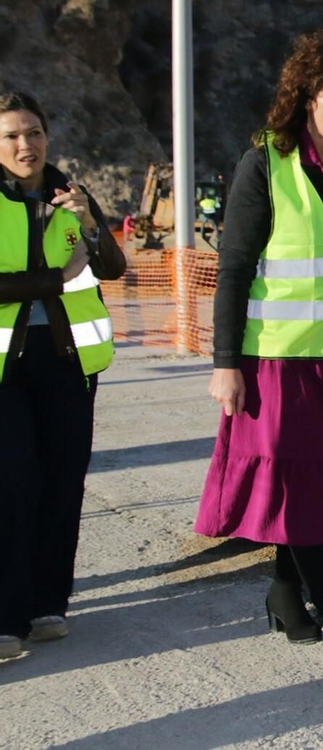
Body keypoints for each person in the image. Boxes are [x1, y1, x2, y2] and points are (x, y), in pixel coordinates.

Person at [194, 29, 323, 692]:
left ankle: (286, 596)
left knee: (321, 494)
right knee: (309, 498)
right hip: (278, 368)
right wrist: (226, 361)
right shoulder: (266, 165)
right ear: (307, 97)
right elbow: (233, 270)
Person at [0, 91, 124, 662]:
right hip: (4, 370)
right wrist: (58, 276)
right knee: (14, 484)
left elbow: (113, 267)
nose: (26, 145)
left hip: (70, 363)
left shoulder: (69, 193)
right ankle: (6, 613)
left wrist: (92, 225)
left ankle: (50, 602)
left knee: (62, 480)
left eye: (34, 132)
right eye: (11, 136)